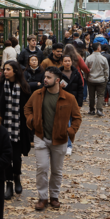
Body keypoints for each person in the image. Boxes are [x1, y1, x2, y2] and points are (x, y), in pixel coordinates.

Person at [24, 68, 82, 211]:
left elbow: (77, 118)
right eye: (45, 76)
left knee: (57, 171)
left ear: (57, 80)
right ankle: (42, 197)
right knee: (42, 168)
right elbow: (27, 108)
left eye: (49, 77)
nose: (45, 79)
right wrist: (32, 121)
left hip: (60, 139)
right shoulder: (37, 95)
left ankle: (54, 197)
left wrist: (69, 131)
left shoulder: (69, 98)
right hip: (41, 137)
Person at [0, 61, 31, 200]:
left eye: (8, 69)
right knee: (6, 158)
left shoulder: (24, 86)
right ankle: (8, 184)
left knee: (16, 157)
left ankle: (17, 177)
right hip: (3, 127)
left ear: (15, 71)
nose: (5, 72)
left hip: (19, 128)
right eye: (4, 69)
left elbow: (28, 108)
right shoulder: (0, 85)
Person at [86, 42, 110, 116]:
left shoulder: (88, 58)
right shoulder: (103, 58)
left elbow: (86, 69)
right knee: (100, 95)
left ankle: (91, 109)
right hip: (101, 79)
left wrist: (86, 77)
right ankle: (99, 109)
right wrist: (106, 78)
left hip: (91, 79)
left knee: (91, 95)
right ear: (99, 48)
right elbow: (106, 70)